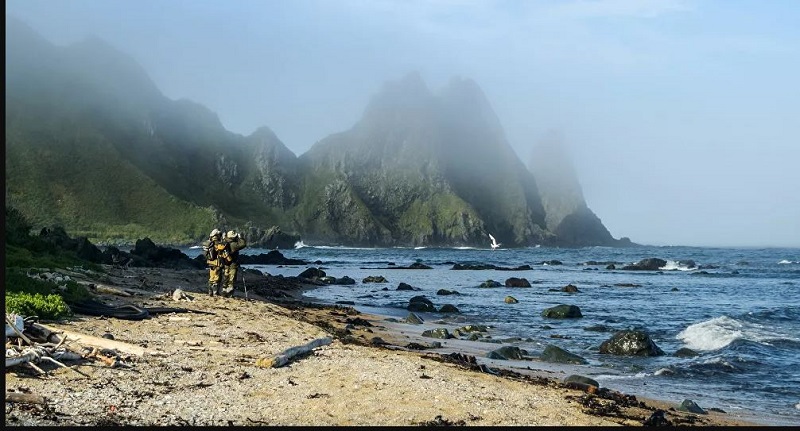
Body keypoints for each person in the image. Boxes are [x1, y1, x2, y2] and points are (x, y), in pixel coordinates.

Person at [220, 230, 247, 298]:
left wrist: (224, 237)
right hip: (233, 263)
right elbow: (243, 244)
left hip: (225, 263)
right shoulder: (234, 244)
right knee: (232, 278)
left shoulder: (225, 242)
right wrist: (240, 237)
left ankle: (224, 290)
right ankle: (230, 293)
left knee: (226, 276)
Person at [202, 228, 225, 296]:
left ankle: (210, 292)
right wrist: (224, 240)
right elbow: (223, 247)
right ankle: (215, 292)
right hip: (216, 263)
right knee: (217, 278)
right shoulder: (217, 243)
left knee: (211, 277)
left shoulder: (209, 243)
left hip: (210, 263)